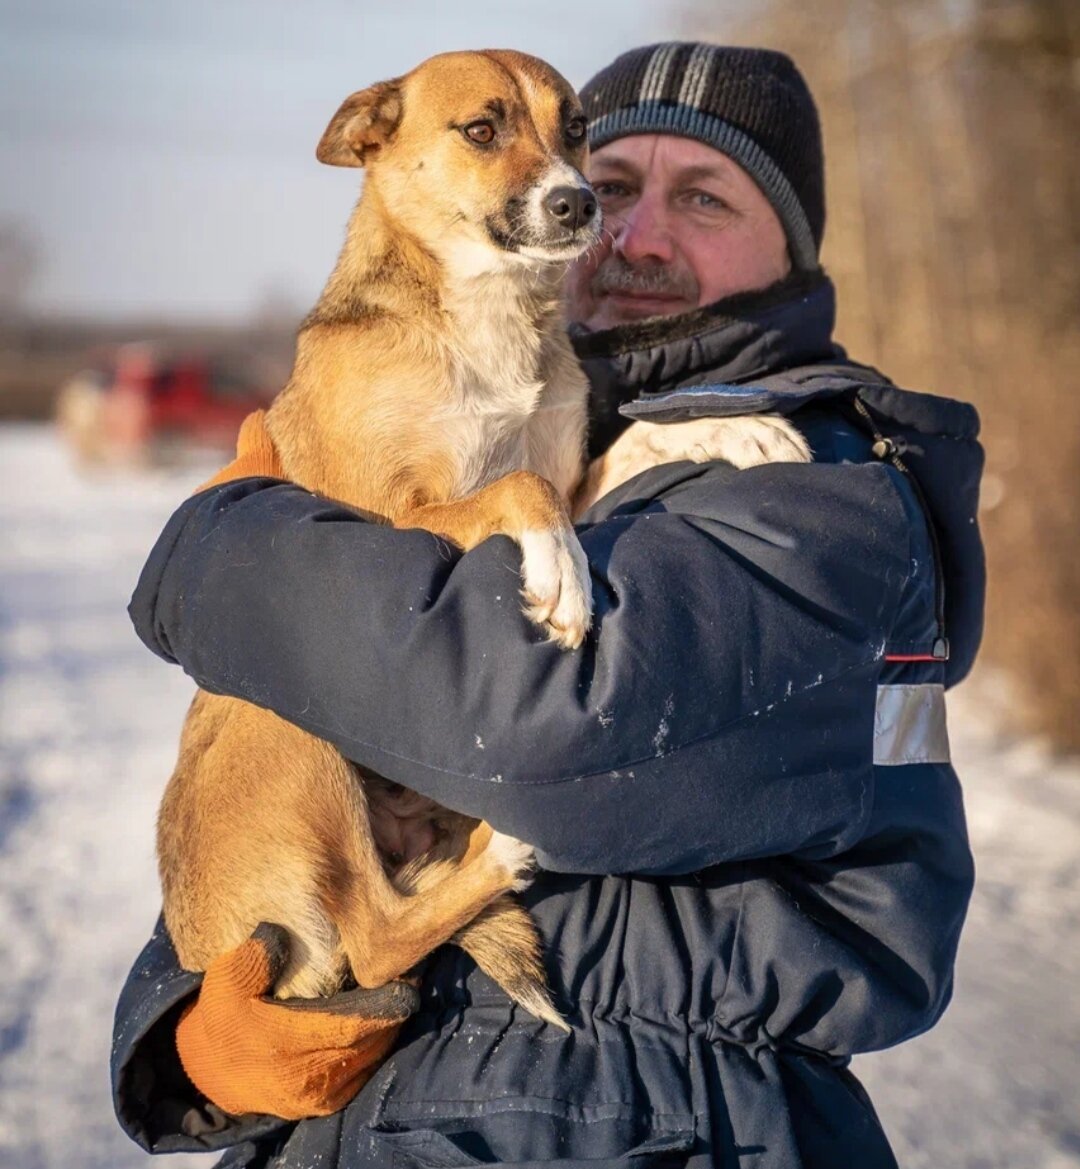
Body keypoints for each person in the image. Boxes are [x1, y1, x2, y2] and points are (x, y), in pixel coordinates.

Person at [112, 44, 985, 1169]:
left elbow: (534, 721)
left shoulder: (832, 487)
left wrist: (215, 552)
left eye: (705, 198)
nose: (628, 228)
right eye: (613, 184)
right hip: (364, 1107)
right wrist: (189, 1038)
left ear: (796, 246)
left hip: (656, 1116)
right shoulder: (538, 403)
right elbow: (279, 752)